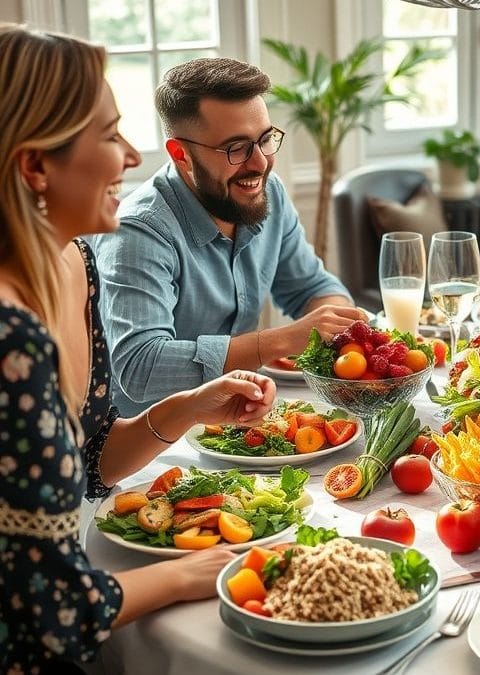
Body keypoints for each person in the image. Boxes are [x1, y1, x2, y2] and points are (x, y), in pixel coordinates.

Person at [0, 26, 282, 672]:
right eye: (109, 135)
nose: (132, 156)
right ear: (35, 165)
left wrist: (189, 405)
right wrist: (189, 572)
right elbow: (54, 612)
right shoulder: (8, 337)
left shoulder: (74, 263)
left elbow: (94, 459)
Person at [92, 57, 362, 416]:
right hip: (153, 446)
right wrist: (279, 340)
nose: (260, 163)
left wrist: (344, 327)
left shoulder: (266, 192)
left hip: (241, 419)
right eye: (236, 148)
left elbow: (309, 287)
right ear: (181, 154)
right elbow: (141, 366)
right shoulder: (138, 231)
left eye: (265, 140)